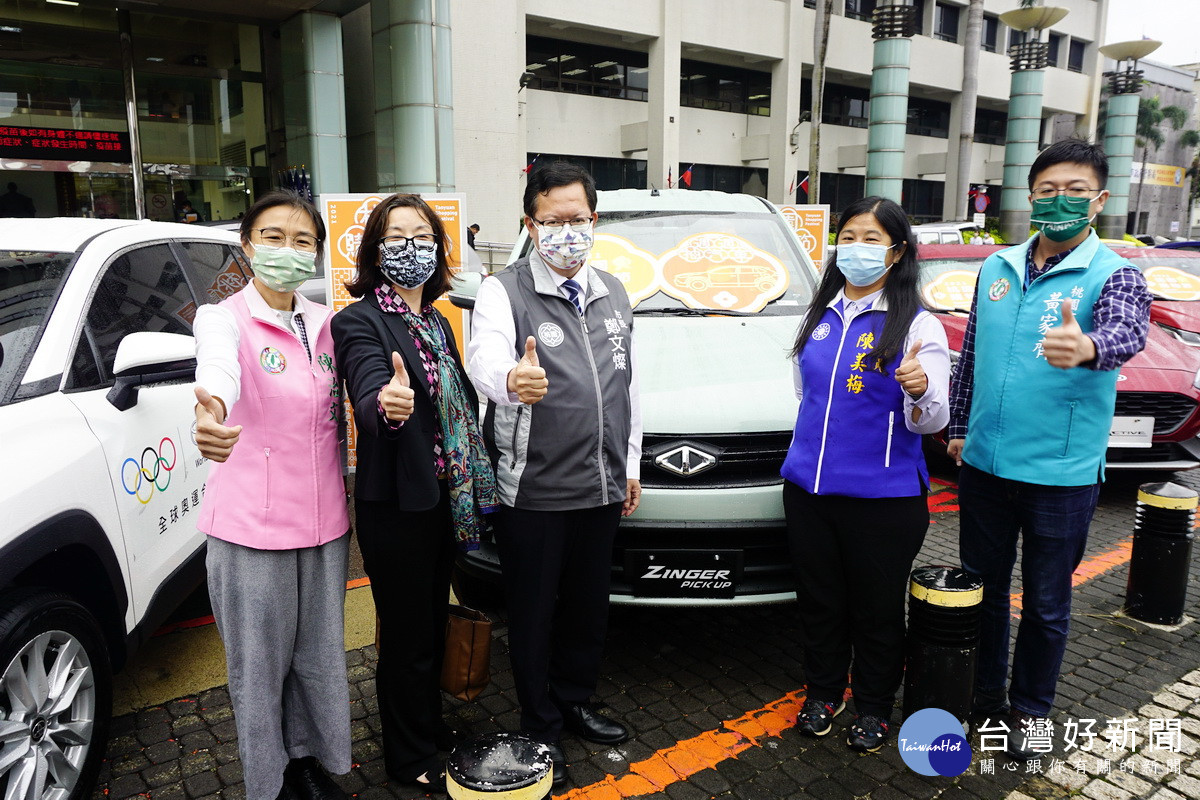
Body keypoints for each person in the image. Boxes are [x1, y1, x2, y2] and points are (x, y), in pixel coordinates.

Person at [947, 139, 1151, 760]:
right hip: (984, 465)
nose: (1059, 200)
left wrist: (1089, 347)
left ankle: (1029, 713)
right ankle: (984, 705)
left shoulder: (1114, 273)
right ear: (1030, 196)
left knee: (1046, 604)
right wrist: (958, 428)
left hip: (1060, 474)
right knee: (981, 592)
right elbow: (973, 357)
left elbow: (1128, 329)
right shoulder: (996, 268)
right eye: (1047, 190)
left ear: (1100, 200)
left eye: (1075, 190)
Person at [466, 162, 642, 789]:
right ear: (530, 223)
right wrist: (512, 380)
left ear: (594, 221)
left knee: (588, 608)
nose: (568, 230)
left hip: (600, 486)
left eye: (578, 219)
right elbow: (482, 359)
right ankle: (539, 724)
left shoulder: (614, 291)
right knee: (535, 611)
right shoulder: (503, 291)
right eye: (554, 220)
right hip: (534, 489)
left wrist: (633, 462)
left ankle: (575, 699)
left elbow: (629, 387)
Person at [331, 193, 498, 791]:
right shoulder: (356, 321)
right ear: (376, 250)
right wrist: (386, 404)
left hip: (441, 503)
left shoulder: (437, 321)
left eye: (421, 236)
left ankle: (428, 730)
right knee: (406, 639)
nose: (411, 247)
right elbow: (370, 387)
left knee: (431, 626)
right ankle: (408, 758)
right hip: (396, 507)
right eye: (396, 237)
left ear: (438, 247)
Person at [192, 190, 351, 800]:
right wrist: (214, 410)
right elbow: (218, 372)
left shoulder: (324, 322)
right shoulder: (222, 318)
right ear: (247, 245)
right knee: (258, 669)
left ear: (316, 252)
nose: (288, 250)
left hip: (324, 525)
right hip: (250, 530)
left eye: (303, 240)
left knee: (316, 656)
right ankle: (271, 778)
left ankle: (308, 760)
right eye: (274, 236)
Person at [781, 196, 950, 753]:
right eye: (849, 235)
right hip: (808, 490)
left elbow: (934, 420)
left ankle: (875, 706)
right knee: (820, 601)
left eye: (872, 238)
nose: (857, 248)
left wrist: (920, 390)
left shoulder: (918, 324)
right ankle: (824, 693)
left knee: (876, 608)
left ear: (898, 252)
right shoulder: (821, 312)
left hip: (883, 499)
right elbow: (807, 397)